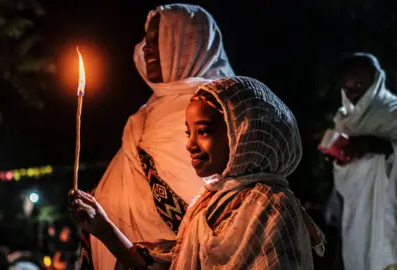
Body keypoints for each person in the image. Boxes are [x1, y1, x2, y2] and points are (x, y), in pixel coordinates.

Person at [70, 76, 325, 269]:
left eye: (203, 131)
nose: (190, 144)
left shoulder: (270, 206)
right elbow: (165, 264)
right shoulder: (205, 206)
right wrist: (103, 228)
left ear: (243, 134)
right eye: (187, 132)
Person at [87, 4, 234, 270]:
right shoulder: (146, 115)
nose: (146, 48)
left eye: (158, 39)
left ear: (188, 42)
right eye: (147, 39)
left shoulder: (216, 112)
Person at [330, 53, 397, 270]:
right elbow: (344, 181)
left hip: (388, 208)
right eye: (348, 89)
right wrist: (340, 161)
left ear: (374, 80)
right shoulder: (344, 121)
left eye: (359, 85)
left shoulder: (392, 112)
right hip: (358, 215)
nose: (354, 93)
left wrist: (374, 146)